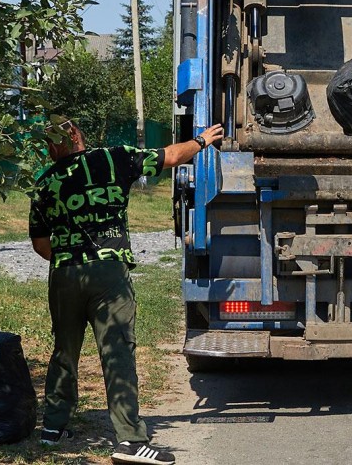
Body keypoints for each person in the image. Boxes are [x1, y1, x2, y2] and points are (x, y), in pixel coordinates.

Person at [29, 119, 223, 465]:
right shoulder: (112, 158)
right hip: (108, 271)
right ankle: (131, 441)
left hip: (64, 273)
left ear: (50, 146)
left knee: (64, 349)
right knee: (116, 352)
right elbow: (173, 156)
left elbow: (41, 244)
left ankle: (52, 430)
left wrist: (69, 256)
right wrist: (202, 140)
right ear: (76, 136)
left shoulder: (44, 183)